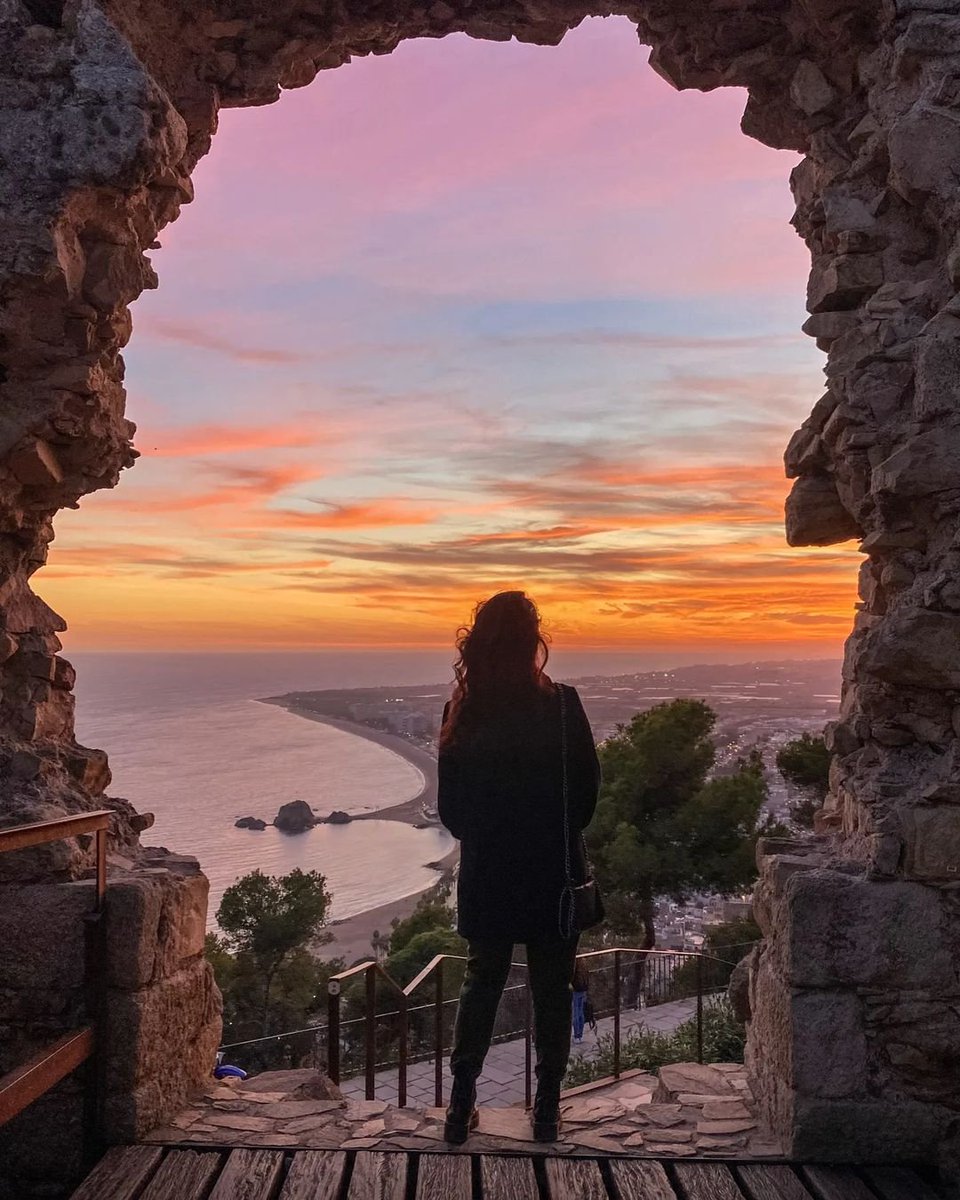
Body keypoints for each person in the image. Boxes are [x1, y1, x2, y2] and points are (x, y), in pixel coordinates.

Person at [437, 591, 600, 1143]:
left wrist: (494, 835)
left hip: (488, 876)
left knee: (481, 982)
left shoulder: (461, 713)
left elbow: (452, 816)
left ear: (477, 646)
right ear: (535, 644)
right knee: (553, 987)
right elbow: (586, 799)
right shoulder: (563, 705)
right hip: (552, 872)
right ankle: (549, 1110)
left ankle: (461, 1106)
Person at [572, 960, 590, 1044]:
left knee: (575, 1012)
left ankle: (576, 1035)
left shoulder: (574, 963)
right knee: (580, 1011)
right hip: (582, 988)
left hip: (575, 989)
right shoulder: (583, 962)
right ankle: (580, 1035)